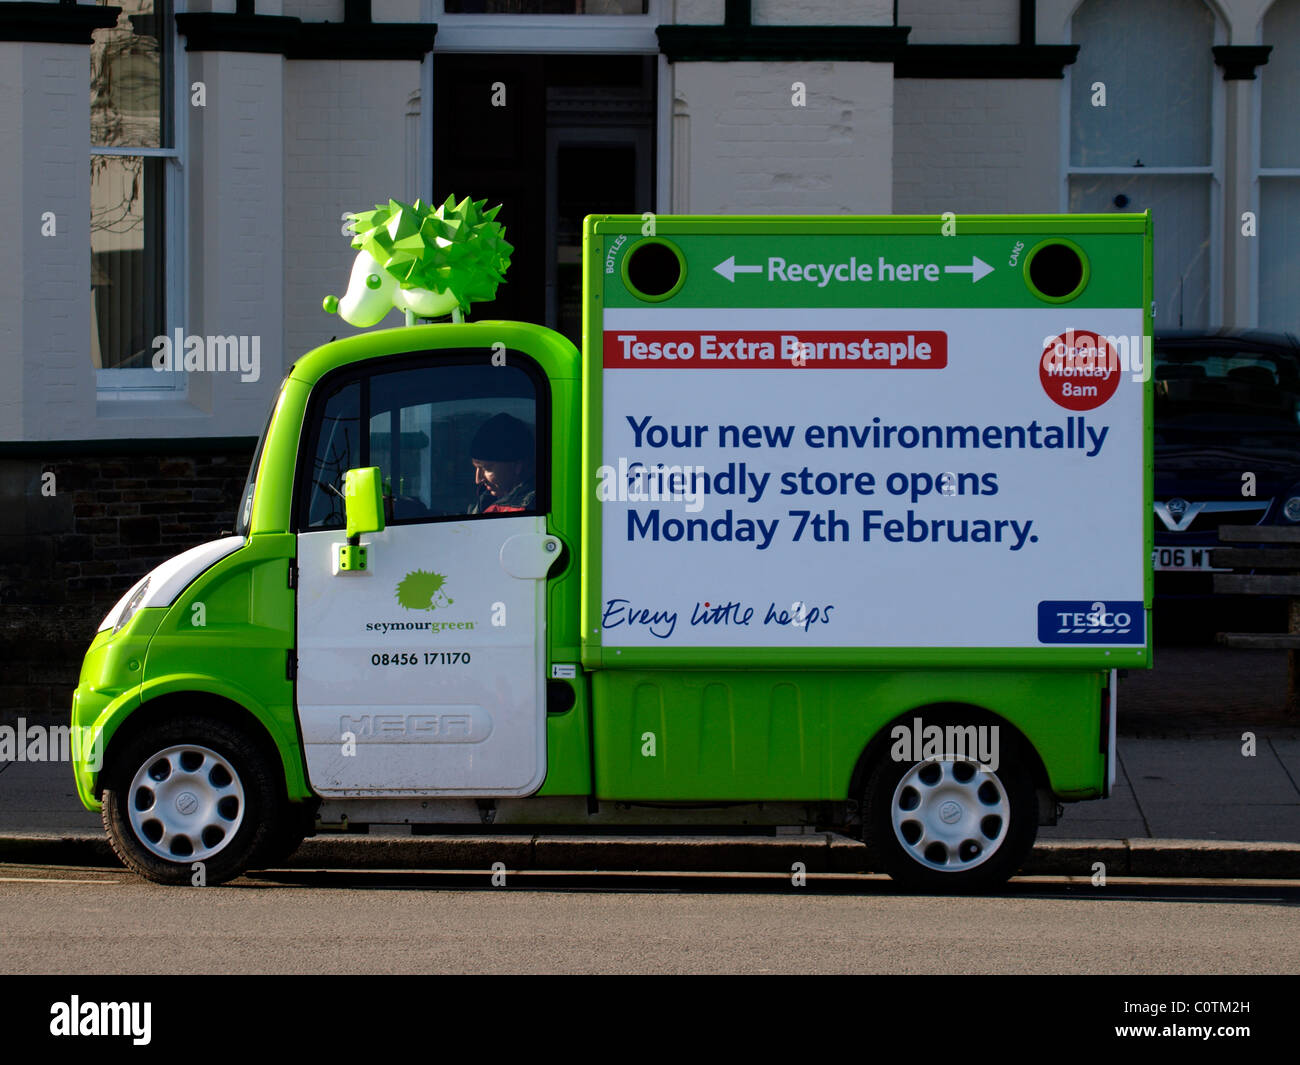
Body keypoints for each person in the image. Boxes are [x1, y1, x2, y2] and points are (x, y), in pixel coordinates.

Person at [467, 412, 536, 514]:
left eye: (487, 468)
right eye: (476, 468)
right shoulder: (487, 499)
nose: (478, 480)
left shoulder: (528, 508)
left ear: (517, 466)